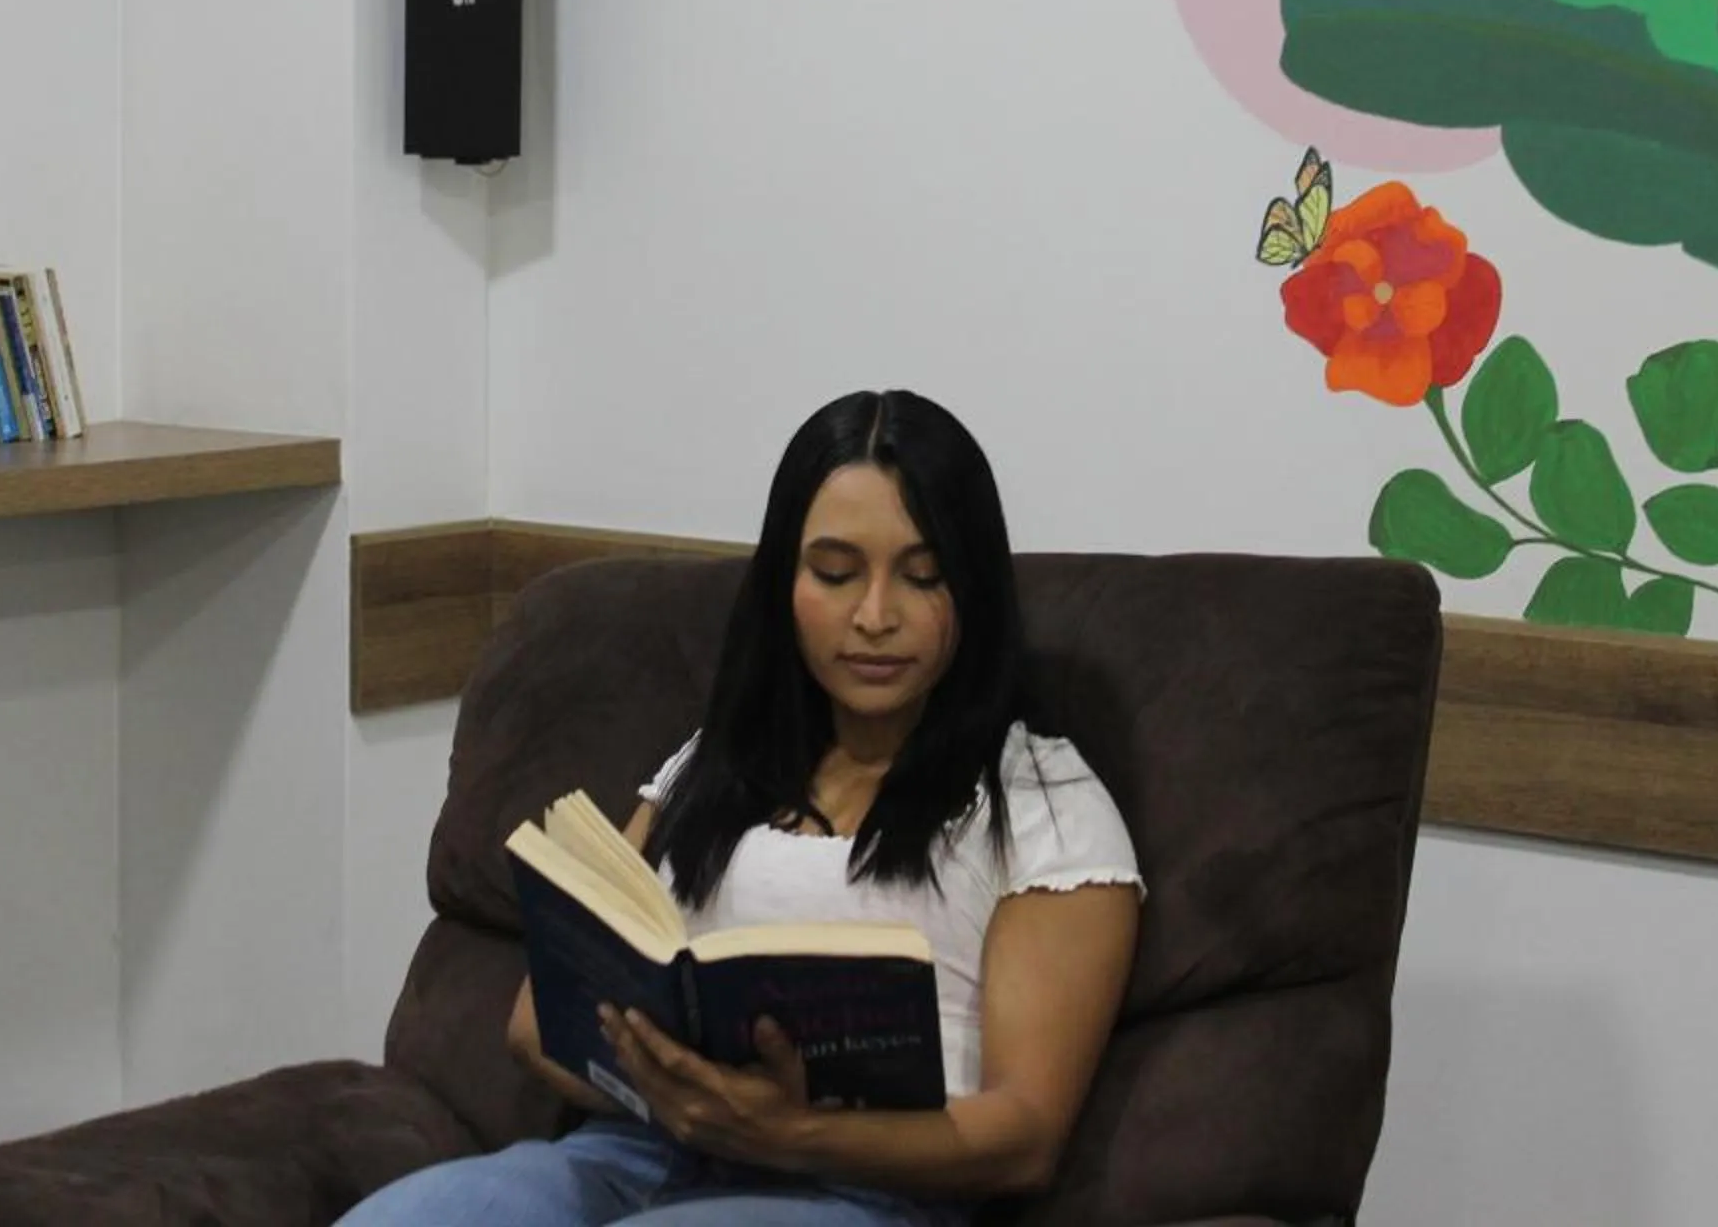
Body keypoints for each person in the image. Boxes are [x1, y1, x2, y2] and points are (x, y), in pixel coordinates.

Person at [343, 390, 1142, 1226]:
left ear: (974, 587)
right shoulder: (714, 763)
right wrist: (678, 1093)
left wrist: (790, 1133)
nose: (875, 616)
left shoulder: (1043, 804)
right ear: (783, 583)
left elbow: (1026, 1134)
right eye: (835, 574)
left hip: (861, 1191)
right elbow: (540, 1019)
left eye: (923, 576)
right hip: (630, 1151)